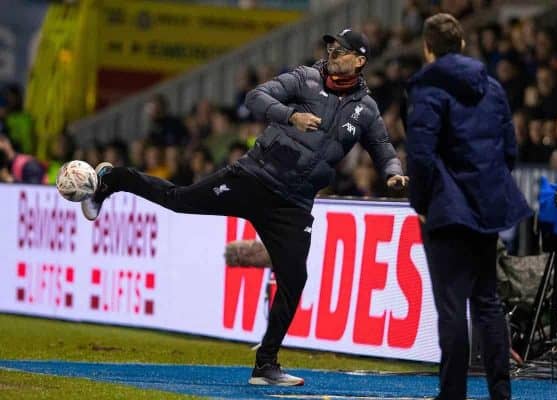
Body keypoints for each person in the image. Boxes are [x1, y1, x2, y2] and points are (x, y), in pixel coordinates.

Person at [79, 28, 408, 386]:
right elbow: (255, 97)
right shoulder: (305, 78)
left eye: (341, 49)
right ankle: (114, 180)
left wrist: (393, 173)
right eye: (331, 46)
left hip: (293, 205)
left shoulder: (366, 109)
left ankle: (265, 365)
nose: (332, 52)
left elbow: (383, 147)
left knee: (294, 280)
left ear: (359, 61)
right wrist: (289, 116)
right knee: (178, 201)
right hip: (253, 178)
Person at [405, 14, 531, 400]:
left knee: (451, 305)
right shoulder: (491, 87)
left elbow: (421, 157)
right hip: (486, 208)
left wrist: (421, 203)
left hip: (446, 210)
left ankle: (453, 394)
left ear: (428, 49)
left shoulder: (427, 91)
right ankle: (500, 392)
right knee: (488, 302)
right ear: (461, 45)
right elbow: (509, 149)